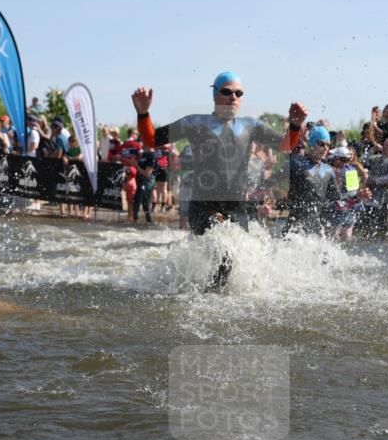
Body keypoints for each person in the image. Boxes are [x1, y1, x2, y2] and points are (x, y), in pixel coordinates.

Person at [130, 71, 305, 282]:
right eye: (227, 92)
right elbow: (152, 140)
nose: (233, 97)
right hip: (204, 207)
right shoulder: (194, 122)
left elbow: (284, 146)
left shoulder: (251, 125)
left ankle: (209, 294)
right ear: (214, 95)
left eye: (238, 93)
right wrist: (143, 113)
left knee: (236, 265)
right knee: (225, 255)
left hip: (237, 209)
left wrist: (295, 125)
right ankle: (209, 300)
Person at [284, 125, 337, 236]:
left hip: (316, 230)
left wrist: (358, 198)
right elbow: (276, 182)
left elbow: (336, 199)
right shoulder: (296, 164)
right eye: (321, 144)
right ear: (312, 144)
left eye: (328, 145)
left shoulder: (328, 170)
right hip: (295, 227)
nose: (325, 148)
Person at [365, 136, 388, 231]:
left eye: (387, 145)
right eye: (384, 145)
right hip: (372, 198)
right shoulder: (376, 158)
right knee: (368, 227)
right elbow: (363, 161)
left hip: (387, 198)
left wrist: (375, 180)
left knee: (384, 227)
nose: (384, 147)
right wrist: (372, 149)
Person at [133, 151, 156, 224]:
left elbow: (147, 173)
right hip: (140, 181)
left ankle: (137, 221)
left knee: (139, 199)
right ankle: (145, 221)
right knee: (142, 201)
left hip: (148, 181)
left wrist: (136, 165)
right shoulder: (143, 154)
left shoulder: (152, 156)